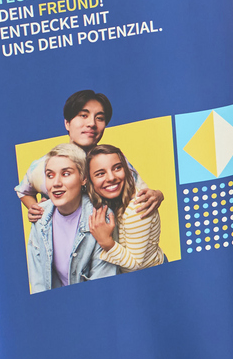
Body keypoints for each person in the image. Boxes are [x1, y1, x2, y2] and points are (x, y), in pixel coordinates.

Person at [17, 90, 162, 224]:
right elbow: (23, 190)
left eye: (99, 118)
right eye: (83, 115)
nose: (92, 123)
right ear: (67, 123)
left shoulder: (114, 160)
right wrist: (36, 209)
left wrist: (157, 195)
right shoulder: (45, 165)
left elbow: (143, 193)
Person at [26, 143, 117, 293]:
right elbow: (38, 282)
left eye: (66, 174)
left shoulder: (102, 218)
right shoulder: (40, 215)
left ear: (83, 178)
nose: (56, 183)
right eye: (50, 175)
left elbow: (102, 287)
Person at [86, 144, 166, 273]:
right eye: (100, 174)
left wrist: (106, 242)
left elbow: (135, 265)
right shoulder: (114, 200)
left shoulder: (136, 209)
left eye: (117, 168)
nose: (111, 178)